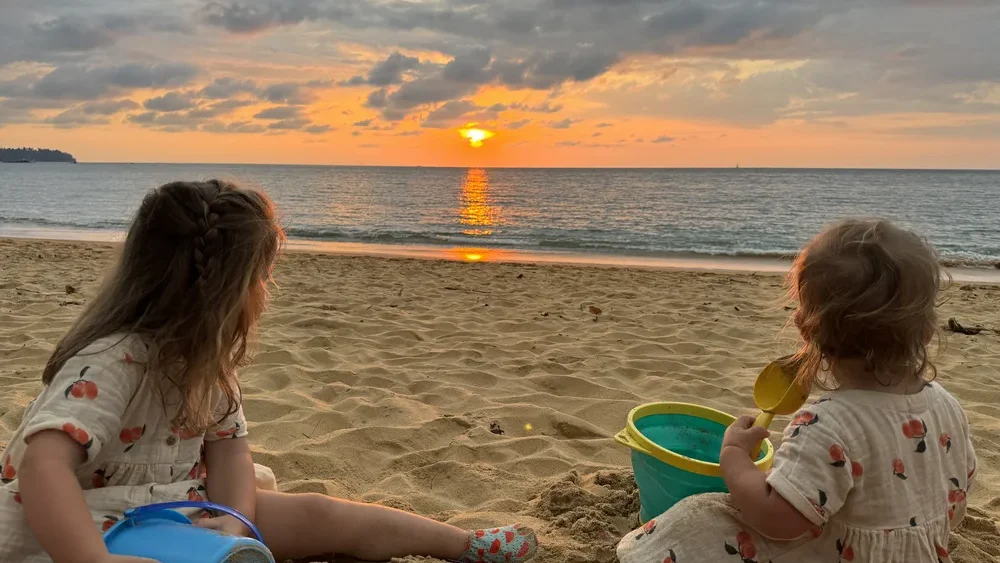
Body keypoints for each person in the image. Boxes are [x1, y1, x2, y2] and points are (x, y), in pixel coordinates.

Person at [0, 180, 537, 563]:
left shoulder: (209, 366)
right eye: (263, 279)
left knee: (322, 514)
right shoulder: (113, 361)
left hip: (172, 507)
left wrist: (233, 522)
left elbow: (231, 451)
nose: (266, 292)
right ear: (230, 293)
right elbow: (43, 466)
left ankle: (462, 545)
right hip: (74, 528)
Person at [617, 219, 976, 563]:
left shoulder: (829, 422)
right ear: (926, 329)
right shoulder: (946, 405)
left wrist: (734, 459)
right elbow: (955, 499)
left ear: (808, 329)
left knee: (700, 516)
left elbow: (777, 520)